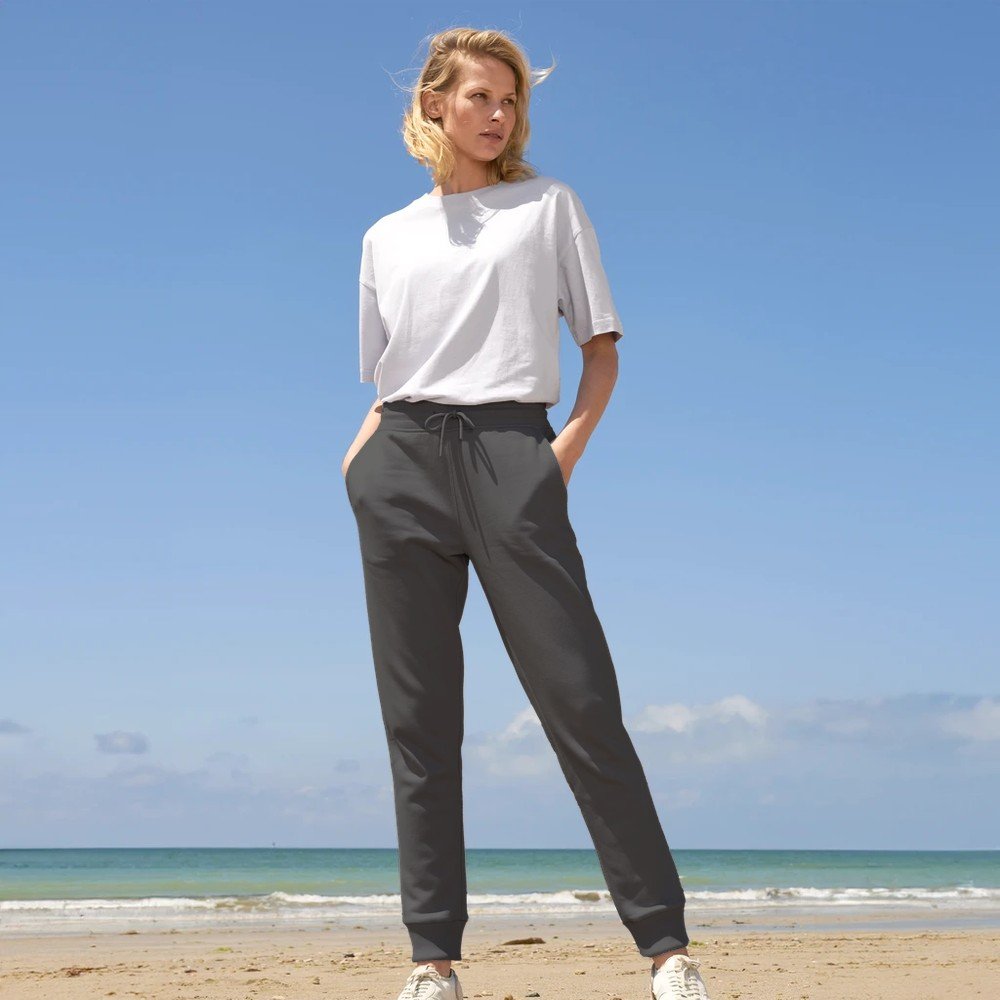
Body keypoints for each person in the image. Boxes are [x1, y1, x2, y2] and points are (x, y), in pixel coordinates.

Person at [342, 27, 713, 1000]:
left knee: (581, 701)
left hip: (514, 453)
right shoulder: (385, 238)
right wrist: (359, 462)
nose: (499, 115)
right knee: (419, 724)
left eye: (511, 100)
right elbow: (390, 377)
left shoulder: (548, 207)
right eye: (480, 97)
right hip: (400, 462)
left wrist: (557, 459)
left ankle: (667, 950)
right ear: (433, 104)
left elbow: (601, 349)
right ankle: (433, 963)